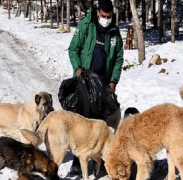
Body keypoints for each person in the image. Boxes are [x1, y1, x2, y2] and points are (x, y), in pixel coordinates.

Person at [67, 0, 124, 175]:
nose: (106, 19)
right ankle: (77, 160)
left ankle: (97, 160)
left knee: (99, 123)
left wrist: (113, 81)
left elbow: (118, 59)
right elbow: (73, 49)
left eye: (109, 16)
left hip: (103, 84)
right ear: (97, 12)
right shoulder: (86, 25)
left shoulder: (114, 33)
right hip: (84, 80)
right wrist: (78, 69)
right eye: (103, 16)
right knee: (81, 121)